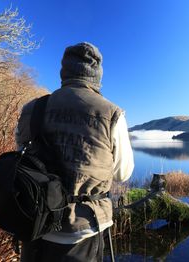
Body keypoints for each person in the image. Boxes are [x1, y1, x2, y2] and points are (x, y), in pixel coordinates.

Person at [16, 42, 134, 261]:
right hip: (83, 229)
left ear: (64, 72)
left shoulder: (33, 109)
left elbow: (20, 158)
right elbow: (123, 173)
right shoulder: (112, 114)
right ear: (97, 75)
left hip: (34, 223)